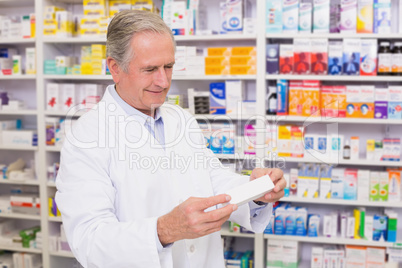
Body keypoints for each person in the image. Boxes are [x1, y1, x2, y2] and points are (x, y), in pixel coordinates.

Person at [55, 10, 286, 268]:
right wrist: (164, 230)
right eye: (150, 69)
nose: (163, 81)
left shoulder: (179, 118)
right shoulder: (86, 137)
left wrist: (254, 191)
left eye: (168, 66)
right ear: (115, 68)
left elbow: (211, 177)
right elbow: (89, 240)